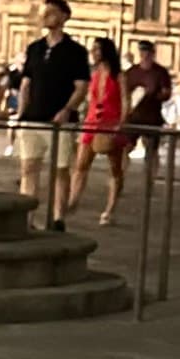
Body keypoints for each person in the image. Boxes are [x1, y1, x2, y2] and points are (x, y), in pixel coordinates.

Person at [11, 0, 89, 228]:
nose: (45, 16)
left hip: (59, 121)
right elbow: (26, 84)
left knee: (60, 169)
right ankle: (28, 217)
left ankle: (57, 218)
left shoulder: (76, 52)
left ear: (65, 16)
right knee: (28, 167)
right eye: (44, 12)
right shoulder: (35, 48)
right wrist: (21, 114)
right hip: (32, 119)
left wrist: (67, 110)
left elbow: (81, 87)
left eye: (52, 12)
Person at [63, 35, 127, 226]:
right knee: (80, 165)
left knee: (115, 169)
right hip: (91, 122)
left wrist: (121, 124)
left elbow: (125, 100)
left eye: (96, 49)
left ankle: (110, 209)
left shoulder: (119, 75)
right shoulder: (92, 73)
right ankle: (73, 201)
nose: (93, 52)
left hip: (110, 123)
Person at [124, 39, 173, 166]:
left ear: (152, 54)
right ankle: (120, 176)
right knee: (125, 147)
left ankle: (150, 180)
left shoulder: (160, 72)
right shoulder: (132, 72)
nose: (145, 55)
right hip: (133, 116)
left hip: (152, 116)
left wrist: (153, 95)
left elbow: (167, 93)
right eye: (142, 51)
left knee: (151, 150)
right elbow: (124, 92)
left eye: (147, 52)